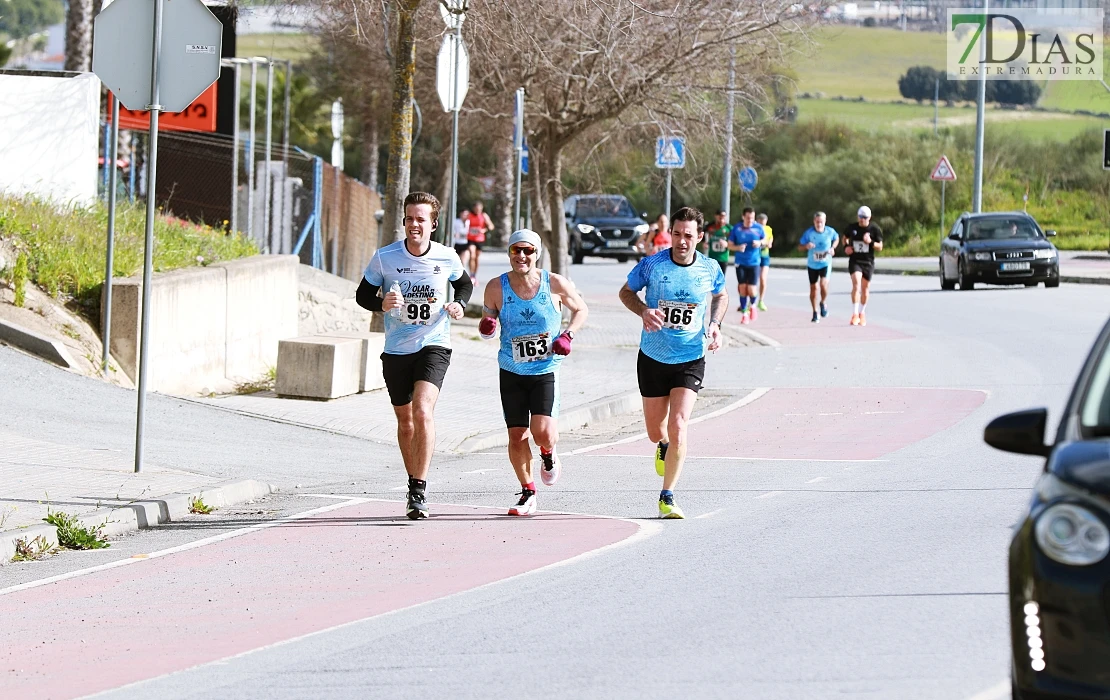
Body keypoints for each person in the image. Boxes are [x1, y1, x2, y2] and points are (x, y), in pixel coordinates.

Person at [355, 192, 473, 520]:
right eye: (409, 219)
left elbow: (464, 285)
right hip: (396, 349)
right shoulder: (386, 257)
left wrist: (459, 304)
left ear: (433, 224)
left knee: (422, 412)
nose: (414, 225)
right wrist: (382, 305)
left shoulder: (447, 256)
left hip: (434, 343)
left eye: (421, 219)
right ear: (404, 222)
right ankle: (412, 483)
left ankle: (419, 489)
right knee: (405, 422)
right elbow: (363, 294)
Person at [618, 206, 728, 519]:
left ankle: (667, 495)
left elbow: (721, 295)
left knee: (680, 424)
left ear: (700, 237)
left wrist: (716, 323)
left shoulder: (709, 268)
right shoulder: (651, 265)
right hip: (653, 356)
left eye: (688, 235)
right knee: (657, 430)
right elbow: (626, 292)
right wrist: (643, 310)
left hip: (690, 357)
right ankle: (662, 444)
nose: (681, 241)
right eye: (676, 234)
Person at [479, 230, 589, 516]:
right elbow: (488, 318)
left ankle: (548, 455)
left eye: (528, 251)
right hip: (511, 368)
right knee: (516, 435)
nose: (522, 256)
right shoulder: (495, 287)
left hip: (545, 368)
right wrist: (488, 325)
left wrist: (568, 335)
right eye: (516, 251)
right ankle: (528, 492)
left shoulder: (554, 283)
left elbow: (581, 310)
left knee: (542, 432)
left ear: (536, 253)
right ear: (509, 253)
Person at [841, 205, 883, 326]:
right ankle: (854, 314)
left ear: (869, 218)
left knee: (865, 289)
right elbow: (844, 238)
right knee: (856, 284)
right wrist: (846, 247)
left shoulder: (874, 229)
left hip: (868, 262)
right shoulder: (852, 228)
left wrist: (871, 242)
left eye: (864, 217)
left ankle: (862, 313)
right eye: (860, 217)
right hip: (855, 260)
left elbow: (880, 246)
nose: (862, 219)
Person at [798, 211, 839, 324]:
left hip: (825, 263)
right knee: (813, 289)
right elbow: (799, 247)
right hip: (812, 264)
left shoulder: (830, 231)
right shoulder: (809, 233)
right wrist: (806, 246)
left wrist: (833, 248)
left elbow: (836, 238)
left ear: (825, 221)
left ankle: (823, 302)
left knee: (823, 285)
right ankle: (815, 312)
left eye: (821, 222)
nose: (819, 224)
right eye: (817, 222)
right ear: (814, 222)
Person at [727, 207, 764, 324]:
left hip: (754, 262)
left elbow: (767, 242)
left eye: (752, 218)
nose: (750, 220)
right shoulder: (737, 228)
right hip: (740, 262)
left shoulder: (758, 228)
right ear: (743, 217)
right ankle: (744, 313)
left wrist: (760, 243)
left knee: (752, 289)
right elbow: (729, 245)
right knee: (742, 288)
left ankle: (752, 305)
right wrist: (738, 247)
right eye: (748, 218)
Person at [466, 201, 494, 281]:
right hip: (470, 239)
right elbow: (464, 224)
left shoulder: (484, 215)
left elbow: (491, 226)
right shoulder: (469, 215)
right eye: (476, 209)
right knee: (472, 255)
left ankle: (474, 275)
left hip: (480, 239)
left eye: (479, 209)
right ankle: (471, 274)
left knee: (477, 258)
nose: (478, 210)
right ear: (473, 208)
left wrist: (483, 230)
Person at [698, 209, 731, 276]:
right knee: (712, 277)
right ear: (716, 216)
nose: (721, 218)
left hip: (723, 257)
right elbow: (702, 232)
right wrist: (704, 242)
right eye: (720, 216)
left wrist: (727, 244)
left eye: (723, 216)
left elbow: (735, 240)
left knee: (721, 277)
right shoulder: (710, 226)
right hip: (712, 257)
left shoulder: (729, 228)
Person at [756, 213, 773, 311]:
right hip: (754, 257)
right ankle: (751, 302)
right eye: (760, 224)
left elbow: (770, 241)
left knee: (763, 278)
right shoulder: (754, 229)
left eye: (764, 223)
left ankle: (761, 301)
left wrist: (767, 242)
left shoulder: (769, 229)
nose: (762, 226)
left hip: (764, 256)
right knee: (753, 281)